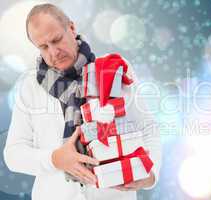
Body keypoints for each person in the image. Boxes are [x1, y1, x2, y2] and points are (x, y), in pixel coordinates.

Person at [3, 3, 161, 200]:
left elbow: (148, 128)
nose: (54, 52)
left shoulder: (113, 69)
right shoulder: (30, 86)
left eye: (57, 39)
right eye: (43, 47)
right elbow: (14, 155)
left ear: (71, 28)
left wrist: (150, 176)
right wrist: (56, 159)